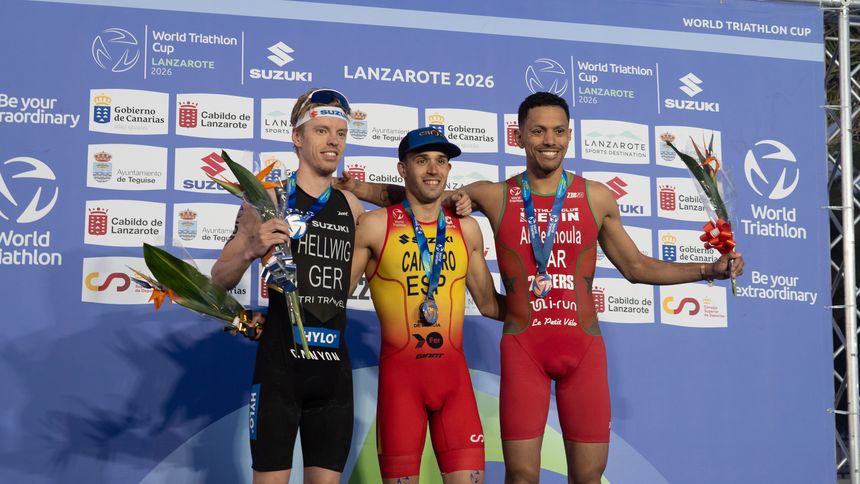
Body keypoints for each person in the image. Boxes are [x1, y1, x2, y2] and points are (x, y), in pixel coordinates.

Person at [338, 92, 745, 484]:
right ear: (518, 136)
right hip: (523, 351)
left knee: (588, 477)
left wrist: (708, 269)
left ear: (569, 135)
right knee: (521, 476)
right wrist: (361, 191)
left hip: (583, 353)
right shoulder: (492, 196)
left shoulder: (596, 197)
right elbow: (421, 197)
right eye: (538, 131)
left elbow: (636, 268)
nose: (549, 141)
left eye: (558, 131)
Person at [212, 88, 365, 484]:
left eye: (341, 134)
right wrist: (250, 247)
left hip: (333, 375)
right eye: (322, 131)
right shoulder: (267, 198)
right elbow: (218, 280)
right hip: (281, 371)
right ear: (298, 137)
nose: (333, 141)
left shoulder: (351, 207)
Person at [350, 127, 505, 483]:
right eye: (422, 161)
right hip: (401, 386)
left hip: (455, 386)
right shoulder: (373, 226)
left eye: (441, 161)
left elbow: (489, 305)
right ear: (402, 169)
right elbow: (332, 295)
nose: (433, 169)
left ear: (449, 170)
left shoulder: (467, 230)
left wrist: (546, 307)